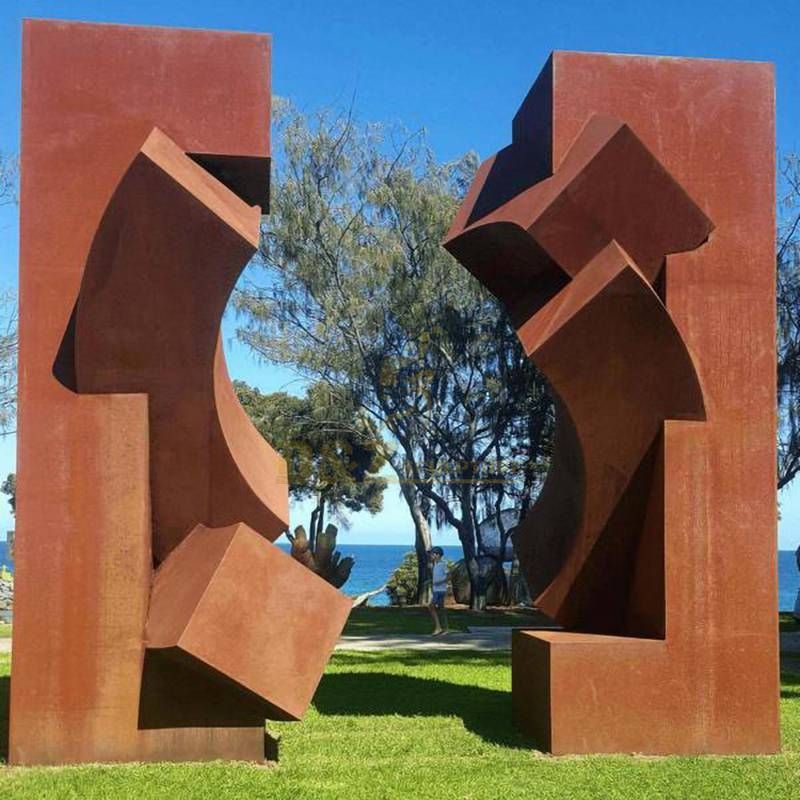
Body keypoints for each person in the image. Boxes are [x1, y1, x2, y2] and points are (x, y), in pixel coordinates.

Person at [427, 547, 449, 636]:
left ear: (437, 555)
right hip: (436, 590)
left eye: (432, 554)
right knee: (441, 609)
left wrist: (440, 582)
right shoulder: (435, 564)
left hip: (440, 591)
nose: (431, 556)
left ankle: (438, 628)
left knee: (431, 606)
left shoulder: (443, 564)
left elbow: (449, 576)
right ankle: (446, 629)